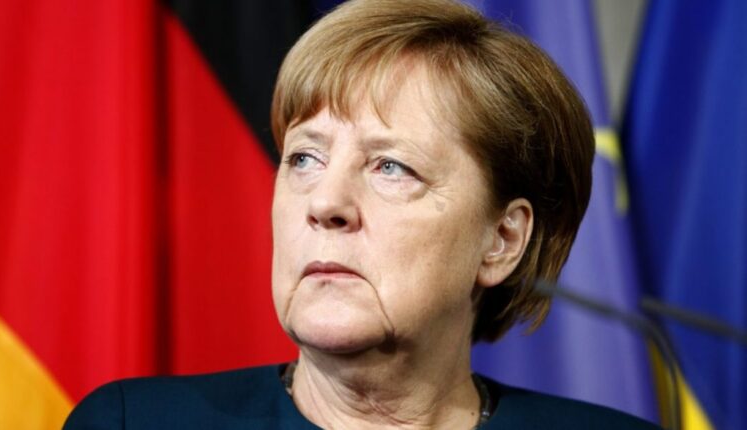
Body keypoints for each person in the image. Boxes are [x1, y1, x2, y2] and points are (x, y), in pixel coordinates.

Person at [64, 0, 661, 428]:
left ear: (501, 240)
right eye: (304, 158)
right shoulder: (132, 421)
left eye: (391, 167)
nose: (325, 204)